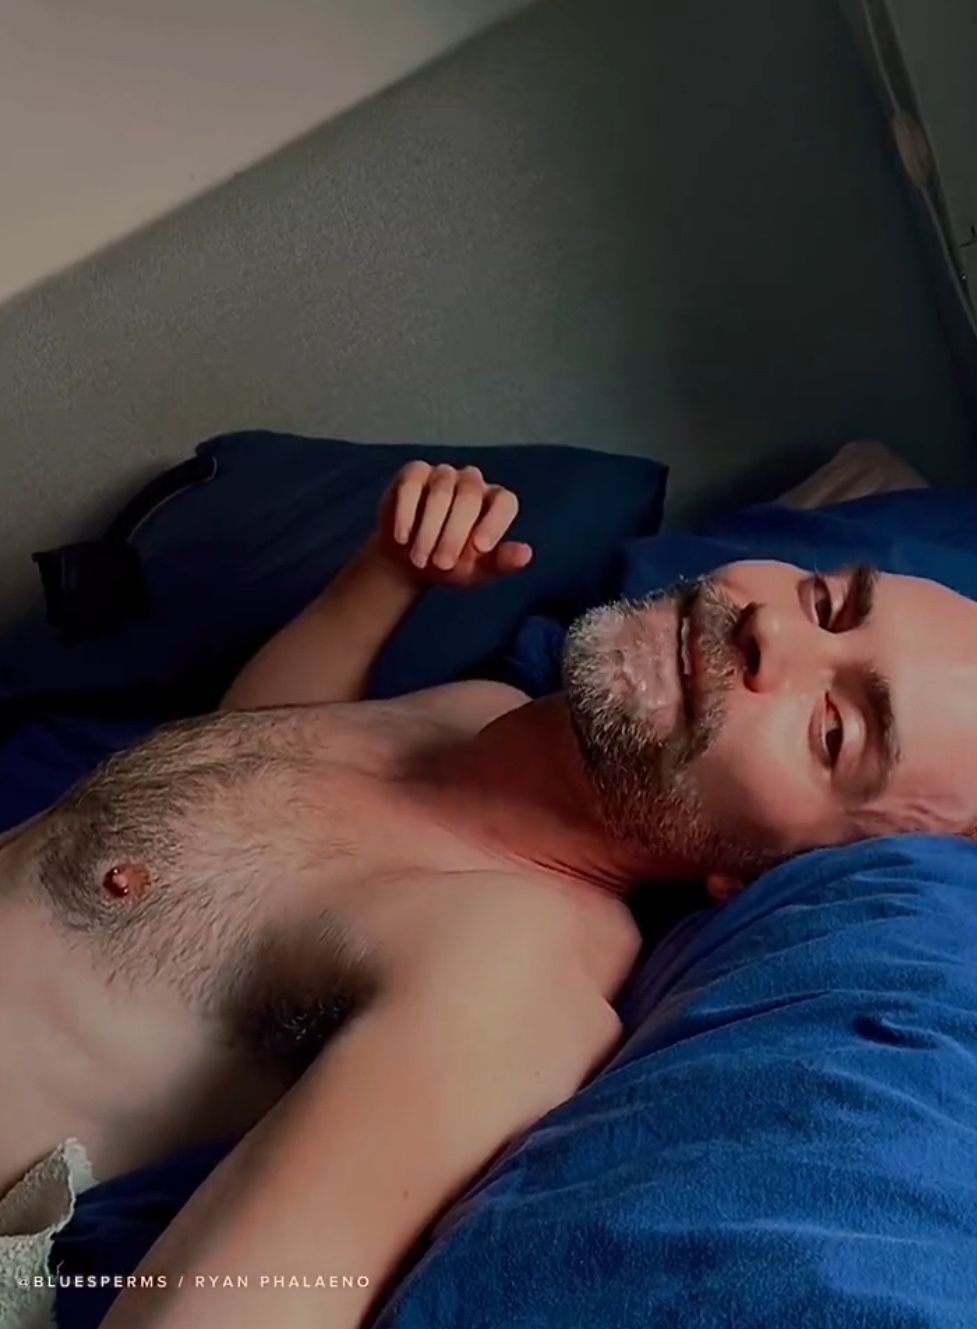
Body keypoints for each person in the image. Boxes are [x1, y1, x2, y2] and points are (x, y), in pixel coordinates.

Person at [3, 459, 977, 1329]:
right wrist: (383, 580)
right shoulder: (481, 710)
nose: (770, 632)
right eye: (823, 603)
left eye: (832, 731)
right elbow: (239, 788)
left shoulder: (510, 967)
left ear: (751, 876)